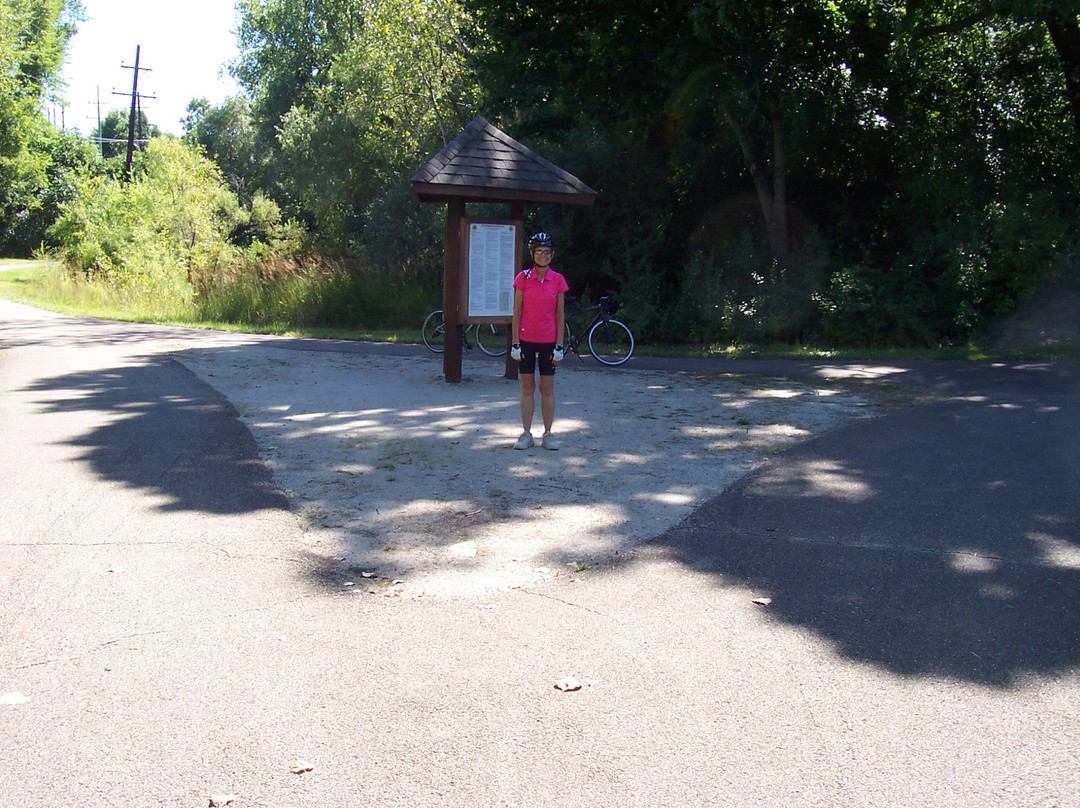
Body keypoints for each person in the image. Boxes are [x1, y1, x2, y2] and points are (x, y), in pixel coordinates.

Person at [510, 232, 568, 450]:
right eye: (539, 252)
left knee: (547, 387)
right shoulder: (523, 278)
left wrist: (559, 345)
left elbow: (560, 314)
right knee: (527, 387)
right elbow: (517, 312)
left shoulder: (558, 279)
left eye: (546, 252)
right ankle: (526, 434)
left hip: (548, 340)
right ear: (532, 254)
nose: (543, 255)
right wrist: (515, 343)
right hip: (525, 339)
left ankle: (548, 434)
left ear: (552, 255)